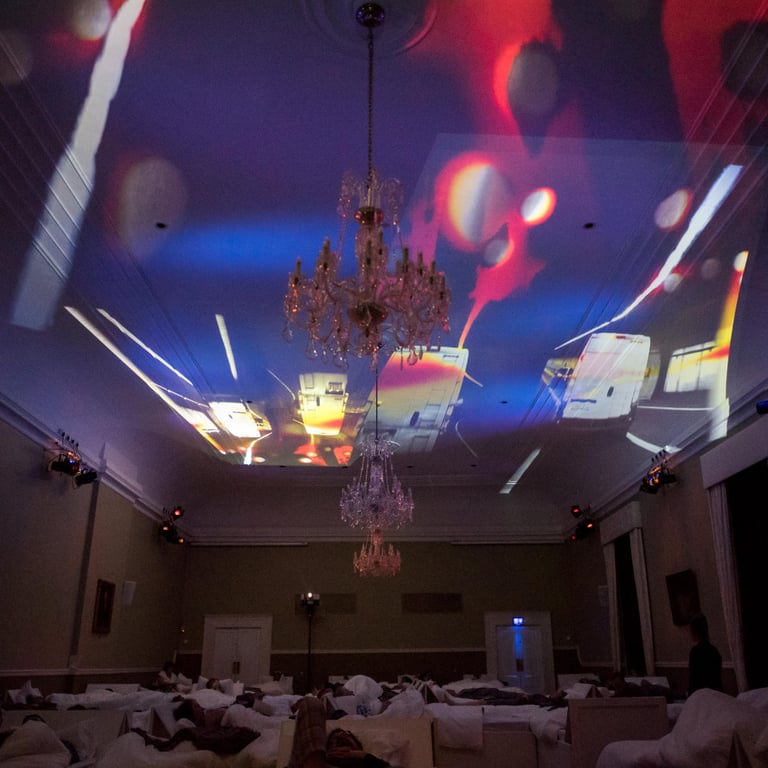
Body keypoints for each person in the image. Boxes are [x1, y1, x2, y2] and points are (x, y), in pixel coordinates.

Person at [288, 696, 389, 768]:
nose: (340, 737)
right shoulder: (315, 759)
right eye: (334, 739)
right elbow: (310, 705)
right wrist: (318, 759)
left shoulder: (367, 763)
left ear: (358, 747)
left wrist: (364, 756)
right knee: (312, 703)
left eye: (347, 735)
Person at [687, 613, 723, 694]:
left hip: (701, 694)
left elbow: (693, 680)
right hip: (715, 694)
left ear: (694, 631)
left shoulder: (695, 651)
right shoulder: (714, 651)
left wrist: (690, 697)